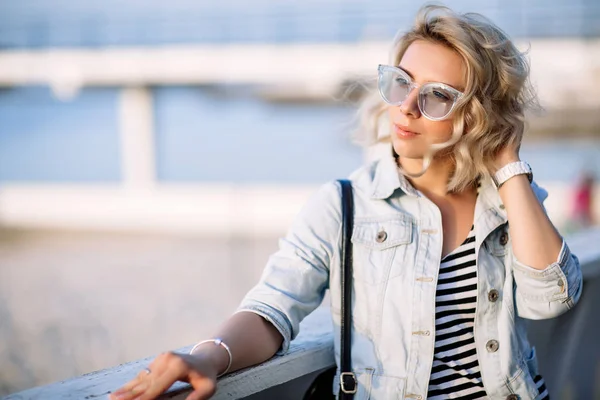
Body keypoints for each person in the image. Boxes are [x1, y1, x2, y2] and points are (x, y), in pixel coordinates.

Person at [110, 6, 583, 400]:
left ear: (475, 115)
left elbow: (552, 299)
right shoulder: (343, 207)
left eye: (437, 96)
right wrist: (207, 355)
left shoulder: (508, 202)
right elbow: (273, 306)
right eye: (401, 82)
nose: (407, 106)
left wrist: (507, 164)